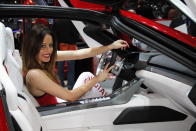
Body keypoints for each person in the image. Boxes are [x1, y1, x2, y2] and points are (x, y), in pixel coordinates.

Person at [22, 24, 129, 106]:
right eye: (42, 46)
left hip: (58, 104)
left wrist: (110, 46)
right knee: (90, 79)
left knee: (86, 76)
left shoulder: (43, 60)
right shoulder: (34, 74)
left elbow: (78, 54)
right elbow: (70, 96)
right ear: (32, 46)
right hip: (57, 114)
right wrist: (97, 79)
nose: (48, 50)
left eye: (50, 45)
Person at [52, 19, 79, 89]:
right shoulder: (73, 22)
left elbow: (53, 35)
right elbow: (76, 35)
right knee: (71, 68)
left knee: (60, 67)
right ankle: (70, 86)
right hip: (71, 47)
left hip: (61, 46)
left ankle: (60, 84)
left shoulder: (57, 22)